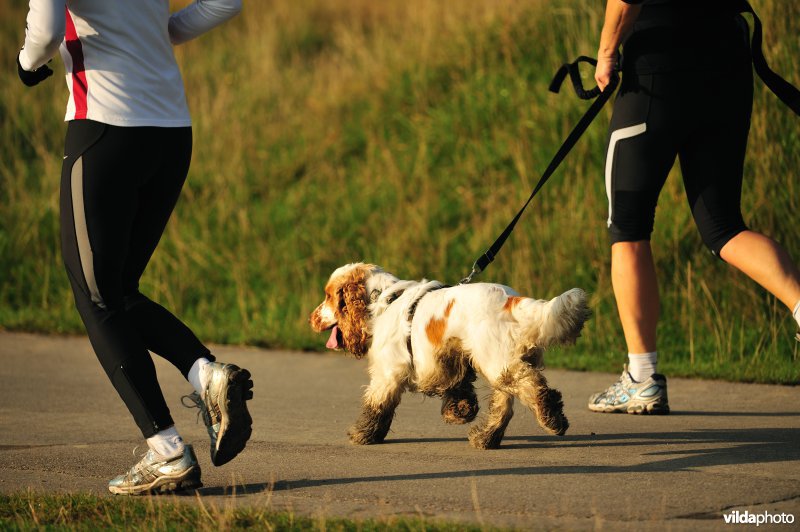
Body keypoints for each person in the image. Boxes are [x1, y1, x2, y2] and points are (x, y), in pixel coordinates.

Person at [16, 0, 253, 494]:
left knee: (96, 296)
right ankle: (204, 374)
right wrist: (162, 32)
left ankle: (166, 449)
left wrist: (27, 63)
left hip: (104, 129)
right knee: (117, 289)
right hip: (170, 133)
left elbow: (43, 29)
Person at [588, 0, 800, 414]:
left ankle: (642, 376)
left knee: (628, 227)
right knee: (723, 225)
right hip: (727, 58)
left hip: (658, 64)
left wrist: (608, 50)